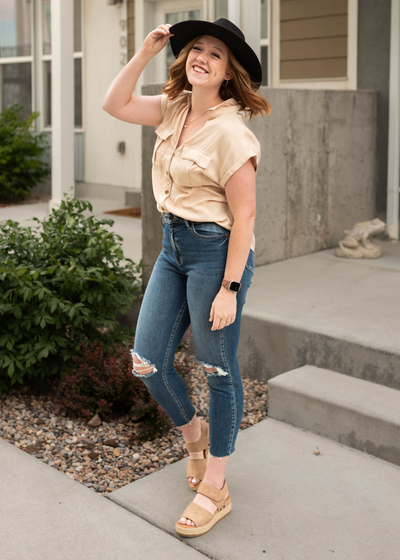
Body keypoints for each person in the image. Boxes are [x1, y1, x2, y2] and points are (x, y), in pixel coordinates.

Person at [102, 17, 271, 538]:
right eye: (196, 48)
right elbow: (115, 104)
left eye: (216, 54)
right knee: (147, 361)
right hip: (174, 248)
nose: (202, 57)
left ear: (228, 73)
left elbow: (244, 218)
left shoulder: (232, 133)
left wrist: (230, 288)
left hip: (216, 255)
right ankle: (193, 434)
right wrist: (146, 52)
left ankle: (215, 486)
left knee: (217, 368)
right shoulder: (173, 108)